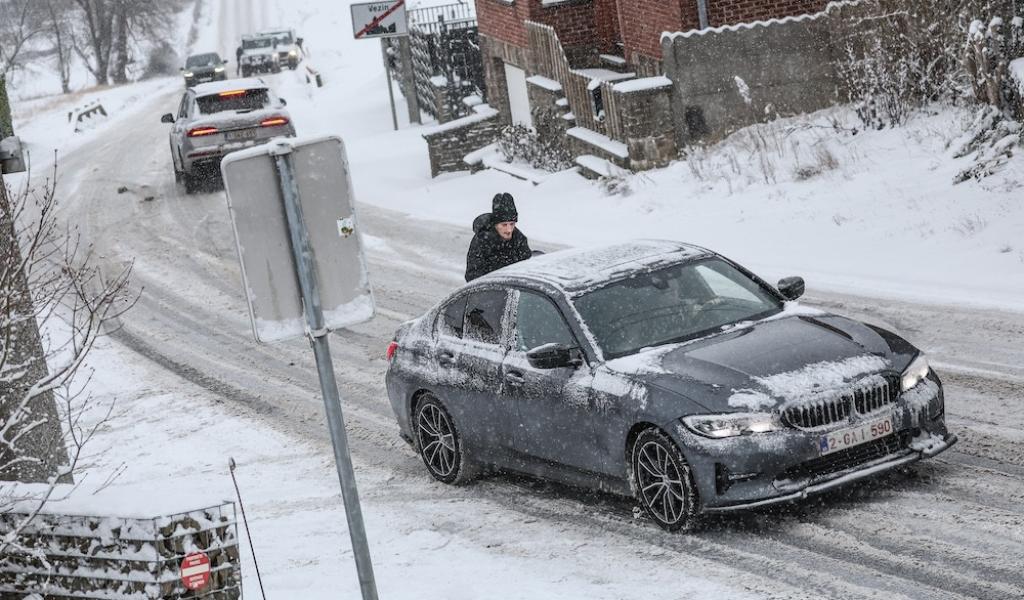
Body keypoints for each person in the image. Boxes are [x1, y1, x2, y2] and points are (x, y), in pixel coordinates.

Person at [465, 193, 532, 282]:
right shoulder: (482, 241)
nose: (509, 230)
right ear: (495, 225)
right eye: (504, 225)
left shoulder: (519, 240)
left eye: (512, 224)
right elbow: (472, 276)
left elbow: (527, 269)